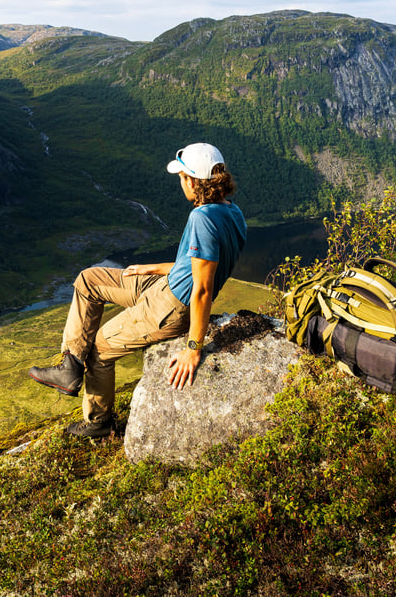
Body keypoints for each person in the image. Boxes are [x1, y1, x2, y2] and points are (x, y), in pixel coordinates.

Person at [29, 143, 247, 438]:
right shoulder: (233, 214)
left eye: (182, 177)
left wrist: (193, 348)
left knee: (100, 351)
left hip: (171, 306)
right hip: (163, 285)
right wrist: (153, 267)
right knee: (88, 280)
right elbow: (197, 265)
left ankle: (99, 422)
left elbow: (203, 288)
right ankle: (69, 365)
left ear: (193, 181)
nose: (181, 182)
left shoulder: (202, 218)